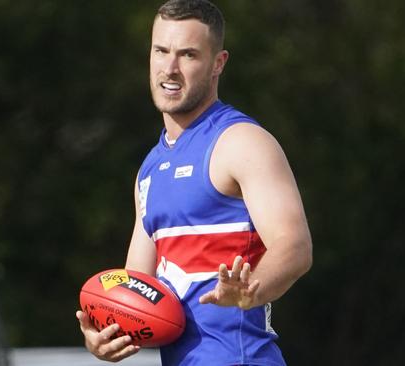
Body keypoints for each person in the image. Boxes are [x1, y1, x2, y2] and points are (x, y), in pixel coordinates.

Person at [76, 0, 312, 364]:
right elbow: (136, 288)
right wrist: (108, 332)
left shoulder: (241, 142)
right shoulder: (150, 169)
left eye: (188, 55)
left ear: (218, 63)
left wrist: (250, 291)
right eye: (161, 51)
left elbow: (294, 247)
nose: (170, 69)